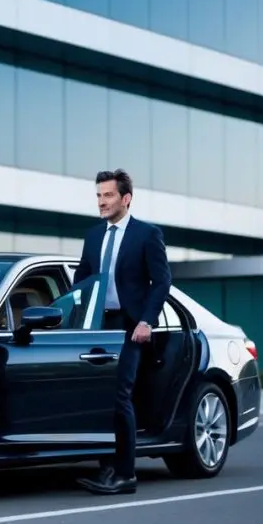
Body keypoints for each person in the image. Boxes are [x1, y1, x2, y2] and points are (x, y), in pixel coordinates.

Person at [72, 169, 171, 495]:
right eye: (99, 196)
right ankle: (107, 470)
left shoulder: (147, 234)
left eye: (108, 195)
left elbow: (162, 282)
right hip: (99, 326)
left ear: (125, 198)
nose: (101, 201)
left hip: (130, 328)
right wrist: (76, 317)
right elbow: (83, 280)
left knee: (119, 396)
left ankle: (126, 474)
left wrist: (147, 321)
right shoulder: (92, 236)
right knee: (98, 396)